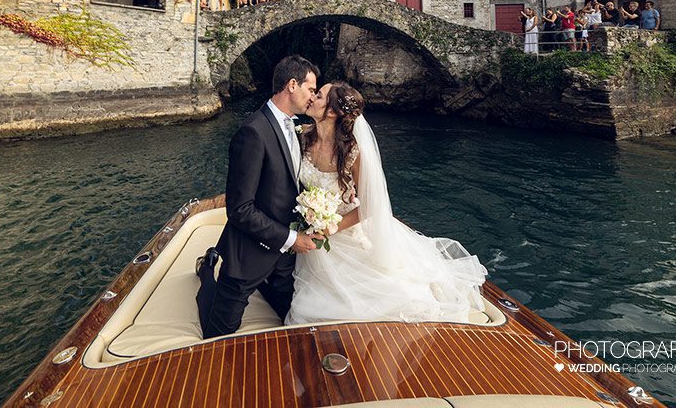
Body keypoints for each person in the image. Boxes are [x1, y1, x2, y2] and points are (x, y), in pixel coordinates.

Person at [285, 82, 488, 325]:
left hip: (342, 230)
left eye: (318, 96)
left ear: (331, 112)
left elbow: (369, 205)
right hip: (311, 230)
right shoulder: (302, 136)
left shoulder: (352, 152)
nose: (311, 98)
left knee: (394, 296)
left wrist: (330, 228)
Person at [196, 56, 322, 338]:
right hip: (248, 254)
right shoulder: (253, 132)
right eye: (311, 89)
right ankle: (208, 274)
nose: (313, 97)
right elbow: (239, 209)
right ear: (292, 85)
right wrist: (292, 239)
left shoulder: (295, 127)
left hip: (284, 260)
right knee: (218, 333)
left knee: (296, 321)